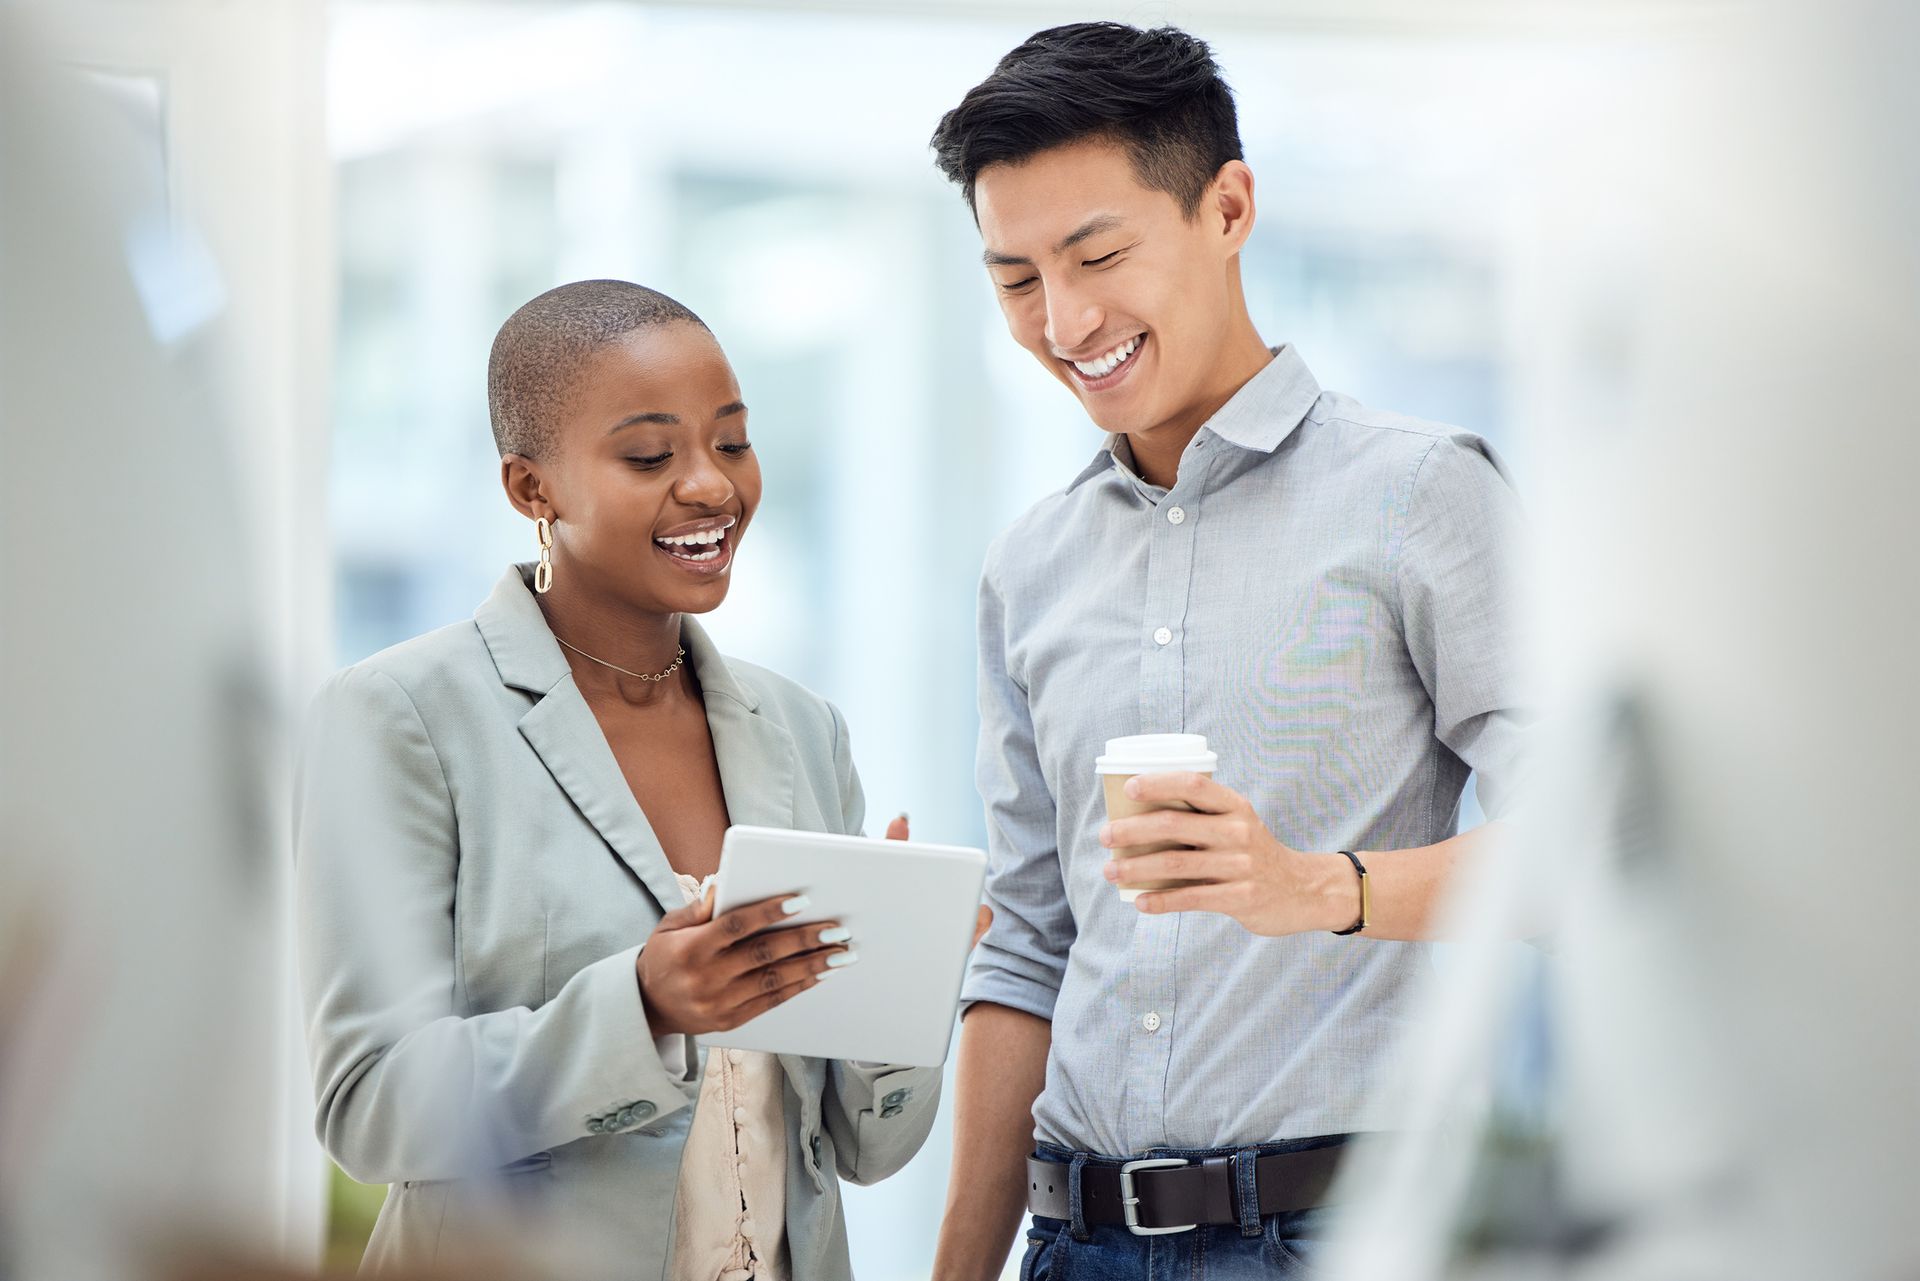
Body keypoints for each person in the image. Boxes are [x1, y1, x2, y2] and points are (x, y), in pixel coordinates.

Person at [926, 23, 1529, 1278]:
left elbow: (1584, 848)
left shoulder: (1421, 492)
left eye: (1098, 254)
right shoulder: (1030, 564)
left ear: (1229, 209)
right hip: (1069, 1242)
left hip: (1326, 1236)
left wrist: (1318, 888)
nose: (1065, 318)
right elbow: (1029, 944)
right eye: (1016, 278)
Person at [295, 281, 943, 1281]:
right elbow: (371, 1107)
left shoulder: (805, 731)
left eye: (731, 443)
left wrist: (902, 984)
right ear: (530, 489)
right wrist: (642, 1005)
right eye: (650, 456)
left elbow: (868, 1151)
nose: (711, 487)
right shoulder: (399, 717)